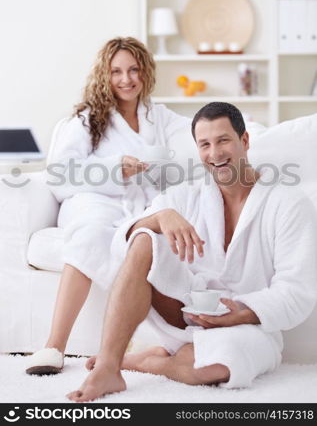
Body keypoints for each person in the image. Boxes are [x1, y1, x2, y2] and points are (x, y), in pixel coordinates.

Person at [66, 102, 317, 402]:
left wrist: (243, 312)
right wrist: (159, 218)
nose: (215, 154)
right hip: (182, 312)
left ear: (245, 141)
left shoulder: (288, 203)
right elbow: (124, 243)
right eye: (205, 145)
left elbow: (296, 291)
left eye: (223, 140)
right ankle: (108, 367)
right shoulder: (184, 195)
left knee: (213, 368)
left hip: (247, 324)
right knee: (146, 236)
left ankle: (150, 361)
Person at [25, 37, 192, 375]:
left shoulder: (159, 117)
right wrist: (115, 169)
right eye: (116, 71)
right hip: (94, 201)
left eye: (133, 70)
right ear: (105, 74)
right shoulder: (88, 119)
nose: (126, 79)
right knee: (89, 237)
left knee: (154, 245)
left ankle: (153, 344)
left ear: (145, 72)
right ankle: (54, 345)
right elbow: (59, 175)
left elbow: (192, 141)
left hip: (141, 205)